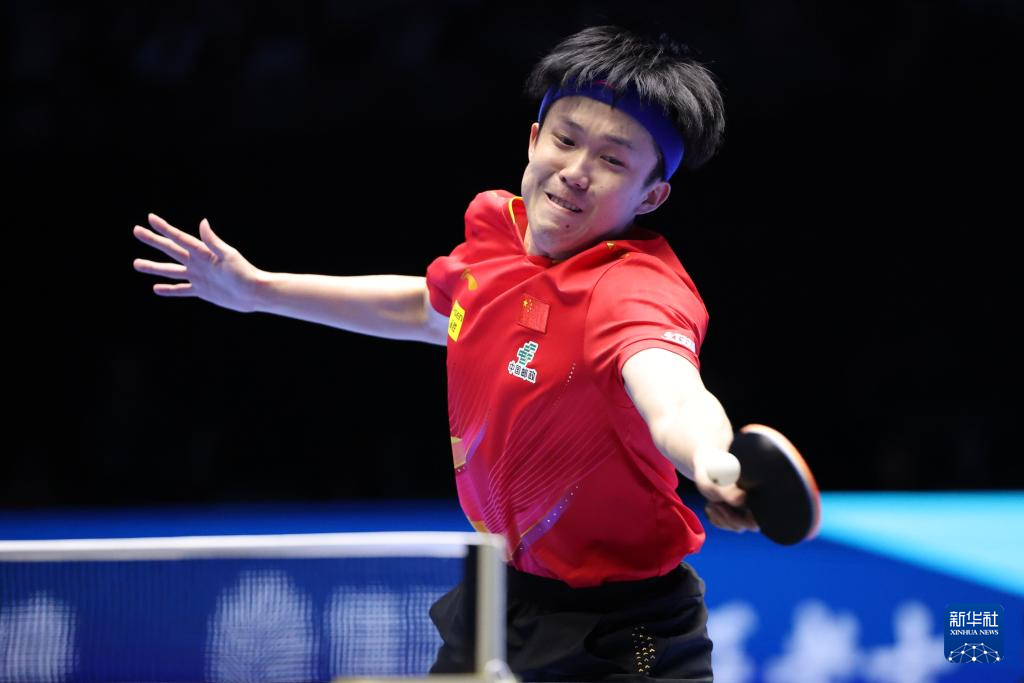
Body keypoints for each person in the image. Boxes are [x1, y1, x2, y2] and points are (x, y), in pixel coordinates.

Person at [133, 24, 756, 683]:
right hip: (500, 600)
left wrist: (712, 459)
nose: (576, 172)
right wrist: (260, 290)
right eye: (567, 139)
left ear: (651, 195)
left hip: (626, 632)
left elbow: (674, 394)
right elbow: (429, 310)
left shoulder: (635, 291)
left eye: (613, 160)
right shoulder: (498, 235)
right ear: (534, 139)